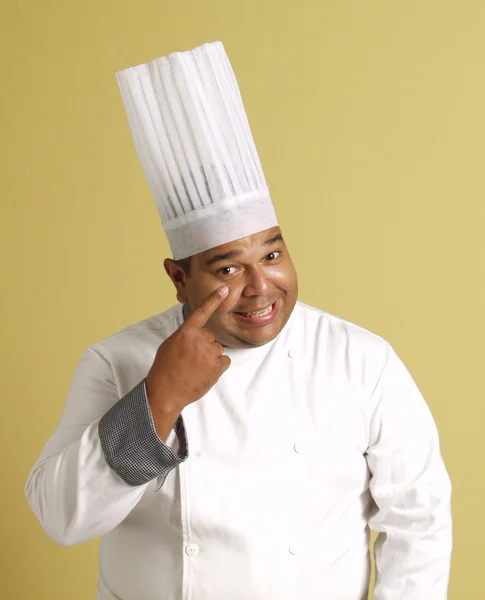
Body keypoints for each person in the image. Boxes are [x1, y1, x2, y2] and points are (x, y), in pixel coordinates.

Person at [26, 41, 452, 600]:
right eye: (228, 267)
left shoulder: (361, 360)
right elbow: (61, 518)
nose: (260, 288)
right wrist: (158, 399)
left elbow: (419, 520)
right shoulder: (117, 362)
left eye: (272, 256)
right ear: (178, 278)